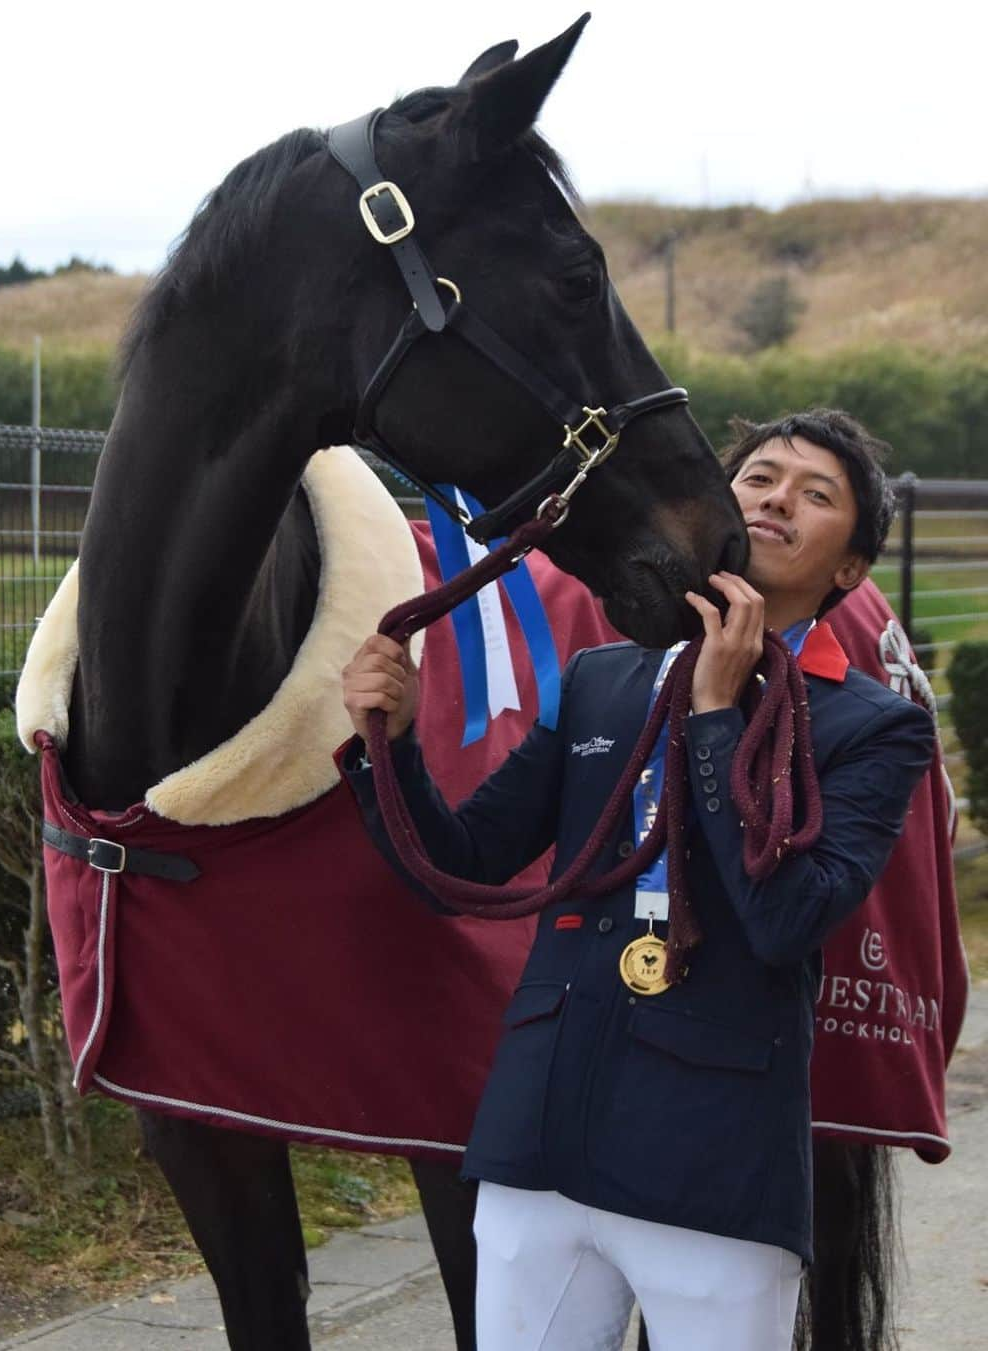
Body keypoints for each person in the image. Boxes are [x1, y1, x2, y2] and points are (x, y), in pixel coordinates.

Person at [337, 409, 935, 1351]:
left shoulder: (873, 728)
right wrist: (395, 743)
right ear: (718, 509)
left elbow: (787, 918)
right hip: (541, 1138)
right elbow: (461, 865)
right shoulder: (601, 678)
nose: (779, 497)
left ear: (850, 570)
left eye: (817, 495)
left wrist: (712, 721)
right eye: (761, 478)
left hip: (716, 1167)